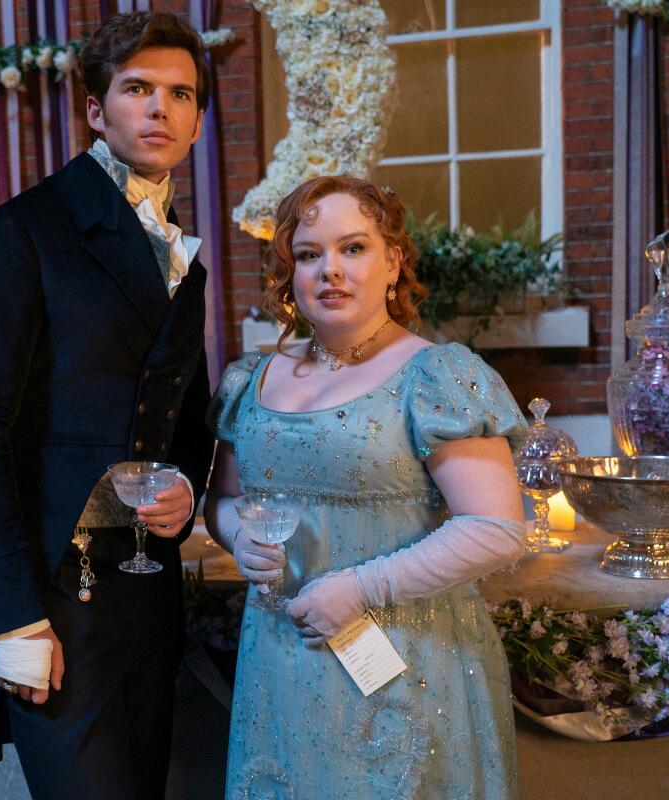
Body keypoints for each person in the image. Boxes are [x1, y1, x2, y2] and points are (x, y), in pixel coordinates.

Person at [0, 12, 214, 800]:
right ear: (96, 109)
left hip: (147, 590)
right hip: (50, 592)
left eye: (180, 94)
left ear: (197, 121)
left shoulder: (183, 257)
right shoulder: (21, 234)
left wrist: (185, 486)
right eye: (137, 89)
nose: (159, 108)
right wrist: (12, 615)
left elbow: (184, 413)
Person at [205, 176, 528, 799]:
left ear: (393, 261)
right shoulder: (251, 379)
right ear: (289, 273)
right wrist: (237, 536)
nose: (330, 269)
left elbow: (496, 529)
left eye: (353, 248)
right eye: (308, 254)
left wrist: (359, 587)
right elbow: (223, 502)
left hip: (406, 657)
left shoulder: (437, 375)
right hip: (278, 656)